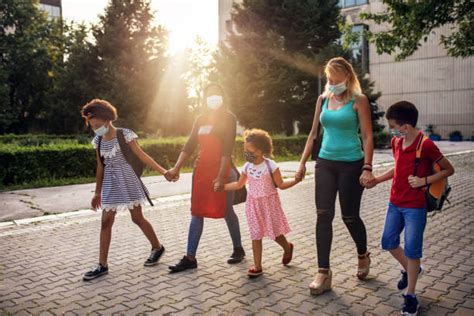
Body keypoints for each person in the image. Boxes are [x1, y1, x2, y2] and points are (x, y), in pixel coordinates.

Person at [366, 101, 454, 315]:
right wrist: (377, 179)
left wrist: (424, 180)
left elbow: (448, 169)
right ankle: (411, 270)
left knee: (413, 250)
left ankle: (411, 295)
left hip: (415, 207)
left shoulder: (426, 145)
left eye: (394, 125)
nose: (392, 129)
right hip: (395, 202)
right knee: (388, 241)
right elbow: (398, 169)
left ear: (405, 126)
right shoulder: (397, 143)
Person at [295, 57, 375, 295]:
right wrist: (301, 164)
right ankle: (323, 272)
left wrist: (367, 166)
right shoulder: (323, 99)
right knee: (323, 215)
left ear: (347, 78)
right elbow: (312, 134)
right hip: (325, 163)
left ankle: (363, 254)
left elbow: (369, 136)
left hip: (352, 163)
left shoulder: (359, 101)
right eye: (328, 78)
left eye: (334, 78)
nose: (330, 82)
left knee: (349, 216)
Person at [81, 99, 166, 281]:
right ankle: (102, 265)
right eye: (92, 126)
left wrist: (164, 172)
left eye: (97, 125)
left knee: (137, 218)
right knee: (106, 222)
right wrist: (97, 192)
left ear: (107, 119)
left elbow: (143, 156)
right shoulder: (98, 141)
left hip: (128, 181)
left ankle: (157, 247)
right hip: (110, 184)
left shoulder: (124, 135)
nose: (95, 129)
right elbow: (100, 166)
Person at [165, 83, 245, 273]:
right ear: (204, 98)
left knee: (226, 210)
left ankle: (238, 249)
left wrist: (220, 177)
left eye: (217, 93)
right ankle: (190, 257)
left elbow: (227, 149)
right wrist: (176, 168)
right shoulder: (201, 118)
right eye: (209, 94)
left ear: (223, 96)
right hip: (201, 171)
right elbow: (190, 144)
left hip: (223, 170)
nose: (213, 97)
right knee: (197, 211)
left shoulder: (228, 118)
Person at [222, 129, 300, 278]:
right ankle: (257, 266)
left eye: (249, 150)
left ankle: (287, 247)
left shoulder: (271, 166)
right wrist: (224, 187)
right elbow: (239, 185)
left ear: (260, 150)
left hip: (269, 205)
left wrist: (296, 180)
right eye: (245, 149)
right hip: (253, 205)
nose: (246, 152)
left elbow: (281, 184)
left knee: (276, 233)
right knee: (256, 235)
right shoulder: (247, 167)